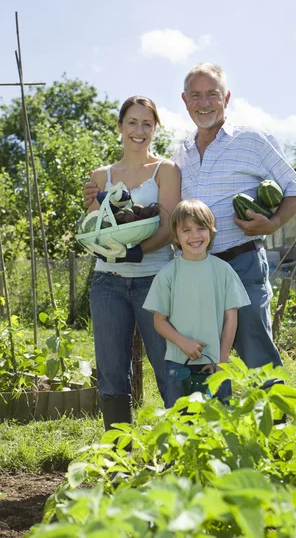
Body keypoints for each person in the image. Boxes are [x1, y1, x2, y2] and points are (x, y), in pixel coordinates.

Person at [84, 64, 296, 377]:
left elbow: (295, 191)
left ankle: (278, 422)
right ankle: (212, 423)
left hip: (240, 263)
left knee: (256, 351)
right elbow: (149, 206)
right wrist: (100, 195)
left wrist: (271, 224)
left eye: (212, 94)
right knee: (202, 356)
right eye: (196, 95)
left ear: (226, 98)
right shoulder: (180, 155)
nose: (204, 102)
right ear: (185, 100)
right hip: (193, 270)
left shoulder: (253, 140)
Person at [82, 95, 181, 431]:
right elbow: (98, 230)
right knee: (111, 373)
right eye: (133, 122)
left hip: (155, 280)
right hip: (107, 283)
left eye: (147, 123)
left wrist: (137, 253)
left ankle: (179, 450)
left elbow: (168, 226)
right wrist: (93, 213)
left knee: (169, 365)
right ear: (120, 127)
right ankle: (117, 456)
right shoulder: (101, 176)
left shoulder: (165, 171)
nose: (139, 130)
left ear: (155, 128)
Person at [143, 199, 250, 408]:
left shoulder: (224, 270)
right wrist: (183, 342)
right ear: (176, 235)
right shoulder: (167, 274)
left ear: (211, 231)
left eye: (201, 228)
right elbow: (159, 321)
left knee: (219, 426)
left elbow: (231, 318)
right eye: (186, 230)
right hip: (178, 364)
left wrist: (223, 358)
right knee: (180, 425)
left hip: (216, 365)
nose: (194, 236)